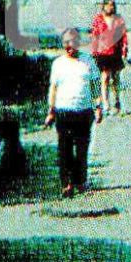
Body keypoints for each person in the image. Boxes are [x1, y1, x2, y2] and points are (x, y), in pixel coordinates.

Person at [45, 28, 103, 197]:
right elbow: (53, 88)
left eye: (72, 42)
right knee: (65, 149)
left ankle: (80, 181)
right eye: (66, 43)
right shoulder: (58, 64)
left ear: (78, 43)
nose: (69, 46)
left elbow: (95, 85)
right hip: (63, 111)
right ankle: (67, 183)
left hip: (84, 111)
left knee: (82, 148)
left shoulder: (88, 61)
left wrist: (98, 107)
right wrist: (51, 111)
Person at [89, 0, 129, 114]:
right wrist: (94, 51)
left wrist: (124, 50)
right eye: (108, 4)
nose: (110, 7)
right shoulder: (98, 19)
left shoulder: (118, 19)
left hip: (115, 52)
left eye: (112, 5)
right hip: (102, 52)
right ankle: (106, 103)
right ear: (104, 6)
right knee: (105, 77)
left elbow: (124, 36)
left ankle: (117, 101)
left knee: (116, 78)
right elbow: (95, 35)